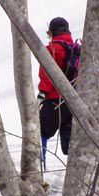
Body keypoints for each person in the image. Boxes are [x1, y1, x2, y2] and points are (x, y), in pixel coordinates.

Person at [37, 17, 74, 162]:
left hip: (54, 100)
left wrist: (42, 93)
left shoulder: (51, 49)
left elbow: (46, 74)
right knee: (70, 146)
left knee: (39, 133)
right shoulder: (78, 48)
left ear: (51, 32)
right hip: (74, 103)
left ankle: (39, 172)